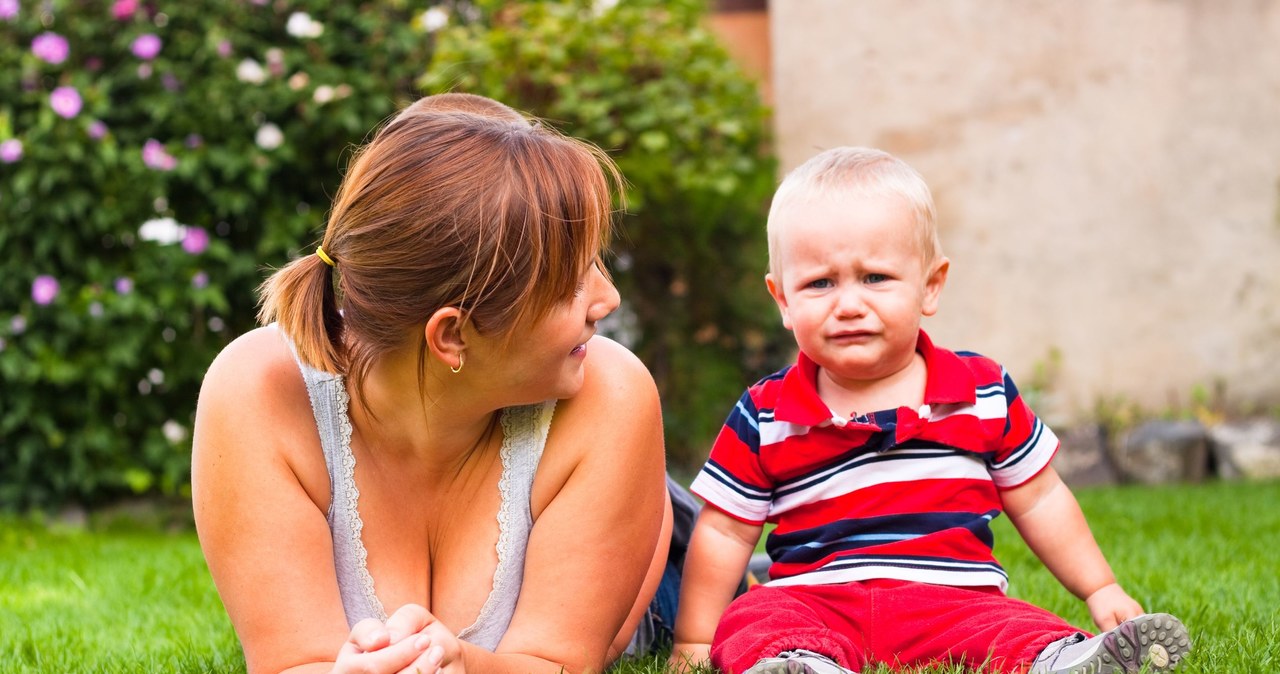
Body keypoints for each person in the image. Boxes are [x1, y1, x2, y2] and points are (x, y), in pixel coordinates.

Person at [192, 93, 676, 674]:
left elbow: (560, 662)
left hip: (636, 524)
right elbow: (293, 662)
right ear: (452, 335)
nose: (608, 300)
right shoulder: (260, 392)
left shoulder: (611, 393)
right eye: (571, 284)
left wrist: (464, 663)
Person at [667, 147, 1192, 674]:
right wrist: (693, 639)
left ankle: (1061, 658)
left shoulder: (982, 391)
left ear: (930, 285)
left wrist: (1099, 587)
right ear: (783, 300)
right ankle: (801, 663)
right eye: (819, 283)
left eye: (875, 278)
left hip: (954, 600)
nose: (848, 304)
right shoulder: (765, 412)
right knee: (757, 613)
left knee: (1013, 625)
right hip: (818, 602)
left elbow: (1039, 500)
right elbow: (724, 532)